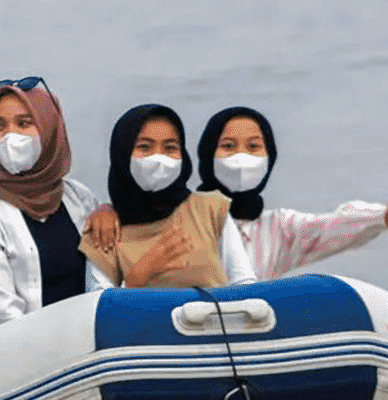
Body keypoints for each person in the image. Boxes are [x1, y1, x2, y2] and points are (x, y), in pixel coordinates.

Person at [195, 106, 388, 280]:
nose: (241, 157)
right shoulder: (184, 218)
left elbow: (334, 227)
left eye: (254, 147)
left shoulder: (278, 229)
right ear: (207, 154)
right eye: (228, 146)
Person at [0, 76, 117, 328]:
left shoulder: (79, 198)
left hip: (87, 350)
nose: (10, 136)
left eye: (24, 123)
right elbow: (4, 313)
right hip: (23, 356)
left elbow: (102, 280)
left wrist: (108, 209)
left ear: (50, 127)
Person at [80, 103, 256, 289]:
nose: (159, 158)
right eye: (145, 147)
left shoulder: (210, 210)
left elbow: (245, 282)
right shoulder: (103, 231)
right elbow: (98, 307)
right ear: (122, 153)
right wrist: (141, 273)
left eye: (170, 148)